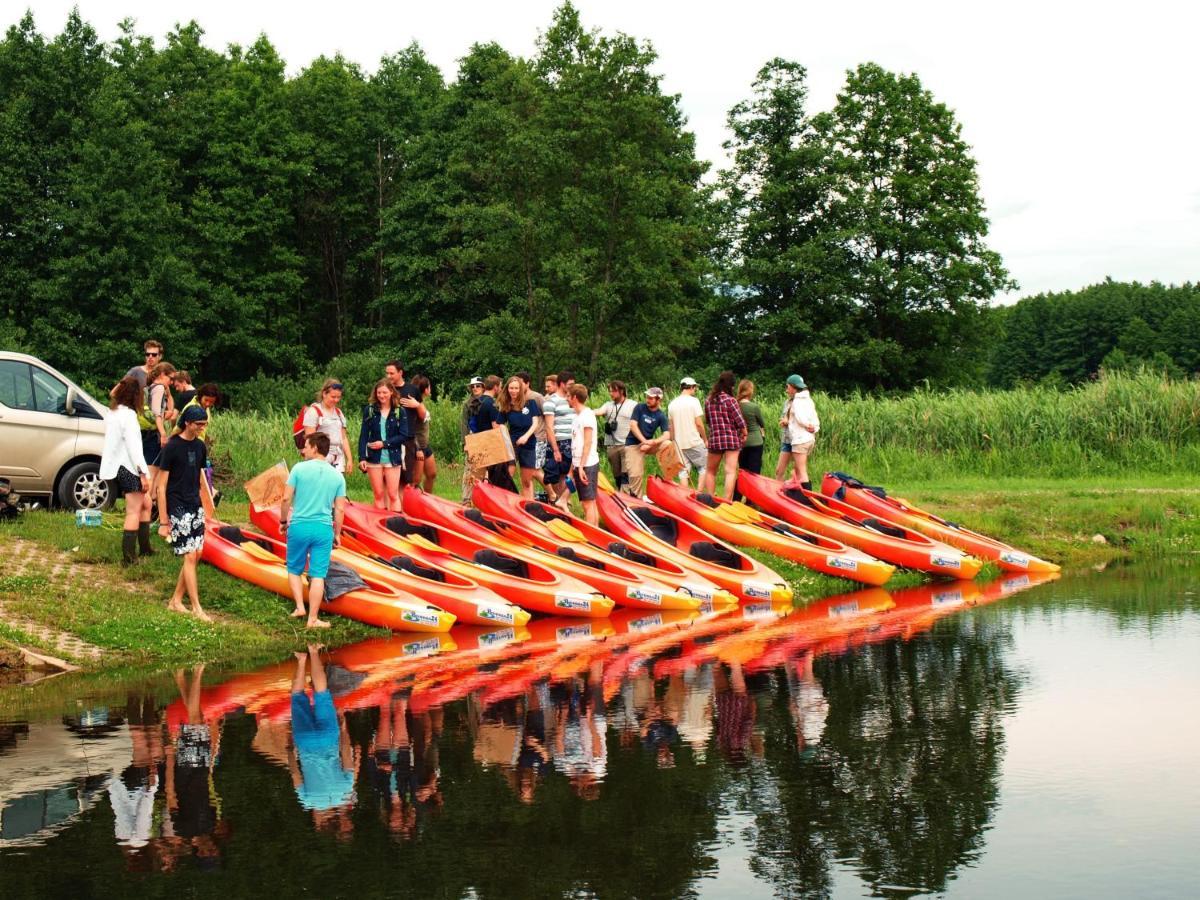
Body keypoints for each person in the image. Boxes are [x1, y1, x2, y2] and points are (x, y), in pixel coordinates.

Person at [280, 432, 347, 629]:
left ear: (315, 448)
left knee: (294, 568)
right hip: (323, 529)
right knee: (318, 574)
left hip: (300, 526)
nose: (303, 450)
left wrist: (283, 520)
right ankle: (313, 619)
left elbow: (286, 499)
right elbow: (340, 509)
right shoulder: (337, 476)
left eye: (306, 446)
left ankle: (300, 607)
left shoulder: (298, 469)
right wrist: (337, 534)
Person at [154, 405, 211, 621]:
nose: (202, 428)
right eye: (199, 424)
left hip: (194, 503)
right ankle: (197, 607)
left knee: (196, 554)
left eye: (204, 424)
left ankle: (176, 601)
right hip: (177, 505)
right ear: (188, 423)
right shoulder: (172, 447)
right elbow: (161, 486)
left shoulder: (200, 447)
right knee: (189, 554)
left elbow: (200, 478)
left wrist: (207, 503)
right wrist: (163, 521)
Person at [101, 376, 152, 566]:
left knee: (146, 504)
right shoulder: (129, 416)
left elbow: (113, 393)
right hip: (130, 467)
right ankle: (129, 559)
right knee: (133, 512)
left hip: (119, 466)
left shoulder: (113, 412)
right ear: (135, 395)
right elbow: (134, 448)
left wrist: (123, 383)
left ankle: (145, 548)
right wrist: (142, 473)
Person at [357, 379, 406, 510]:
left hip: (393, 458)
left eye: (384, 392)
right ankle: (380, 524)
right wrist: (362, 457)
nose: (381, 395)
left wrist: (384, 444)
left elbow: (403, 435)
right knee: (378, 495)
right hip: (373, 458)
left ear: (391, 392)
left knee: (393, 494)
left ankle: (396, 524)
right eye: (379, 392)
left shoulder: (399, 411)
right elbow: (363, 435)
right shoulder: (370, 410)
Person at [702, 370, 747, 500]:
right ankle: (727, 500)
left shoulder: (708, 401)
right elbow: (740, 421)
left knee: (710, 471)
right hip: (731, 439)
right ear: (731, 386)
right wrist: (744, 434)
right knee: (730, 471)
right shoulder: (731, 400)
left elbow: (708, 421)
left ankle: (710, 499)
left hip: (715, 439)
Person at [384, 360, 428, 490]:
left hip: (406, 440)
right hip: (387, 439)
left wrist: (417, 405)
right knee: (388, 480)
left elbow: (423, 415)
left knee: (406, 480)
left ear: (400, 373)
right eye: (387, 373)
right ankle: (388, 509)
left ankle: (403, 508)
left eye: (391, 373)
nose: (388, 376)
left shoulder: (412, 390)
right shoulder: (384, 389)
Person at [499, 375, 543, 499]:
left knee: (527, 481)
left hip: (528, 443)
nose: (513, 391)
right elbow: (501, 424)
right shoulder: (505, 405)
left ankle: (528, 505)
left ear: (521, 389)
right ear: (507, 389)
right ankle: (504, 501)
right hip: (512, 443)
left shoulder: (530, 403)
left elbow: (535, 423)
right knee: (508, 475)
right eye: (511, 388)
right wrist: (506, 438)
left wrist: (525, 436)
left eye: (516, 388)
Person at [624, 387, 669, 498]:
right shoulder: (640, 407)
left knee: (667, 444)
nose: (647, 399)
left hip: (649, 444)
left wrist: (653, 442)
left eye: (651, 398)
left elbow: (667, 435)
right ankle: (636, 499)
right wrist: (644, 442)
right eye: (647, 397)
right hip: (633, 444)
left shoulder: (661, 415)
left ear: (659, 400)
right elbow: (633, 425)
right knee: (635, 474)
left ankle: (669, 478)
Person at [303, 379, 353, 474]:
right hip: (320, 457)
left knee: (336, 485)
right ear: (324, 394)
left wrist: (349, 459)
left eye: (338, 397)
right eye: (333, 397)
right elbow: (310, 440)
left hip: (338, 457)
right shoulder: (313, 411)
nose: (336, 400)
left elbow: (343, 438)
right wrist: (315, 460)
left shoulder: (339, 413)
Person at [542, 371, 575, 509]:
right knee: (556, 476)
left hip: (573, 441)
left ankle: (565, 501)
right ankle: (558, 501)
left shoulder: (573, 399)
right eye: (570, 384)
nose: (573, 386)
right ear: (562, 384)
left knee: (570, 474)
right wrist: (555, 449)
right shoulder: (551, 401)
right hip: (559, 441)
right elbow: (549, 427)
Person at [568, 384, 600, 526]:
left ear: (574, 397)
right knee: (589, 502)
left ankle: (592, 536)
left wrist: (580, 467)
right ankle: (597, 532)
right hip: (579, 463)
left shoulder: (587, 415)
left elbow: (588, 442)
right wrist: (573, 467)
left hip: (587, 464)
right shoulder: (578, 416)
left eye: (568, 396)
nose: (567, 399)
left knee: (588, 503)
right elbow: (577, 443)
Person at [595, 381, 636, 491]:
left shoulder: (632, 405)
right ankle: (620, 491)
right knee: (617, 475)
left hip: (627, 445)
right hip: (612, 445)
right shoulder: (608, 405)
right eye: (610, 391)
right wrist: (585, 411)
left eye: (614, 391)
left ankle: (625, 496)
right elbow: (599, 411)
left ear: (622, 391)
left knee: (625, 474)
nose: (611, 394)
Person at [667, 377, 708, 486]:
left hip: (679, 443)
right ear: (691, 387)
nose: (695, 390)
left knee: (683, 471)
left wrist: (673, 442)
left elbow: (671, 427)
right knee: (704, 466)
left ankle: (684, 496)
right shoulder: (694, 401)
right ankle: (699, 492)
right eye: (695, 387)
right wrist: (705, 439)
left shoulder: (672, 404)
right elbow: (699, 424)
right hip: (694, 441)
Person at [783, 374, 820, 490]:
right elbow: (815, 418)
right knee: (798, 471)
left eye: (788, 386)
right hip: (810, 439)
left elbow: (799, 418)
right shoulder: (809, 400)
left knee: (803, 473)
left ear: (794, 387)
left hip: (800, 440)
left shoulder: (797, 401)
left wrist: (806, 425)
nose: (787, 389)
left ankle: (807, 499)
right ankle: (797, 492)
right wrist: (814, 427)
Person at [516, 371, 550, 492]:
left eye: (520, 384)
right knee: (526, 472)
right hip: (523, 439)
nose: (518, 387)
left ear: (527, 383)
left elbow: (548, 416)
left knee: (535, 470)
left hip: (538, 438)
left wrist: (548, 434)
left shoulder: (537, 397)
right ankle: (530, 497)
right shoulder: (517, 398)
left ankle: (553, 495)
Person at [734, 380, 765, 502]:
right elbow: (762, 423)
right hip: (756, 442)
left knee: (742, 473)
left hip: (741, 442)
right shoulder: (753, 407)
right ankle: (751, 501)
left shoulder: (735, 405)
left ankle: (736, 499)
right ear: (750, 391)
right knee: (754, 474)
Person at [410, 375, 438, 493]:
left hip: (425, 444)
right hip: (417, 446)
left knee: (431, 474)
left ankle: (428, 500)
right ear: (426, 389)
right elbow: (410, 427)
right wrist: (417, 448)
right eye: (429, 386)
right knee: (415, 481)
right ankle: (410, 505)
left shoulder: (419, 403)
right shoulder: (414, 405)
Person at [774, 392, 795, 481]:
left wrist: (788, 422)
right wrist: (783, 420)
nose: (786, 390)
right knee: (779, 471)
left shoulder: (802, 402)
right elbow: (784, 417)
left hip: (798, 441)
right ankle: (777, 494)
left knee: (797, 473)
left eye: (788, 387)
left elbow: (804, 421)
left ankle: (800, 494)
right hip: (786, 440)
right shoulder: (787, 402)